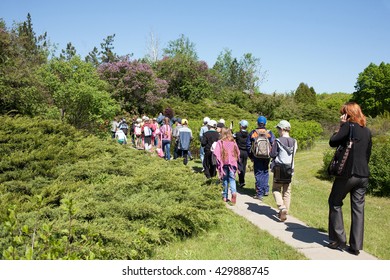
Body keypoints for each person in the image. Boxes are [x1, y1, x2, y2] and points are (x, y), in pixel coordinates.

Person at [327, 102, 372, 256]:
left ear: (348, 114)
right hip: (363, 175)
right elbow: (367, 154)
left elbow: (333, 142)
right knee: (358, 209)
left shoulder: (348, 126)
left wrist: (341, 125)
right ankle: (356, 246)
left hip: (348, 174)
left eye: (343, 113)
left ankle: (339, 239)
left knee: (334, 202)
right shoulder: (367, 131)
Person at [270, 120, 297, 222]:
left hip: (279, 169)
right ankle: (284, 213)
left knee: (276, 189)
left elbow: (272, 154)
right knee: (287, 192)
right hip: (290, 169)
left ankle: (282, 208)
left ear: (281, 129)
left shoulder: (277, 141)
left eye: (278, 129)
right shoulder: (294, 141)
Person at [247, 116, 275, 201]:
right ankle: (265, 190)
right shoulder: (269, 133)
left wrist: (251, 156)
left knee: (258, 173)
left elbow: (248, 145)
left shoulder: (253, 133)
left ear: (257, 123)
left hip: (256, 156)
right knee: (265, 171)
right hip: (267, 156)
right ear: (265, 123)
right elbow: (273, 144)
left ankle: (259, 193)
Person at [213, 127, 240, 205]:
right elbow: (238, 152)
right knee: (232, 179)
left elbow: (216, 153)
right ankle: (234, 192)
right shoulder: (233, 142)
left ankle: (225, 196)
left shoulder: (220, 142)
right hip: (233, 163)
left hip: (224, 163)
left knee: (225, 179)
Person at [234, 120, 249, 188]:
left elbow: (232, 137)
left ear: (241, 126)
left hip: (239, 151)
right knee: (244, 166)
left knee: (239, 166)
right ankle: (242, 180)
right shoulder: (249, 134)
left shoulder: (237, 134)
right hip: (246, 152)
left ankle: (241, 181)